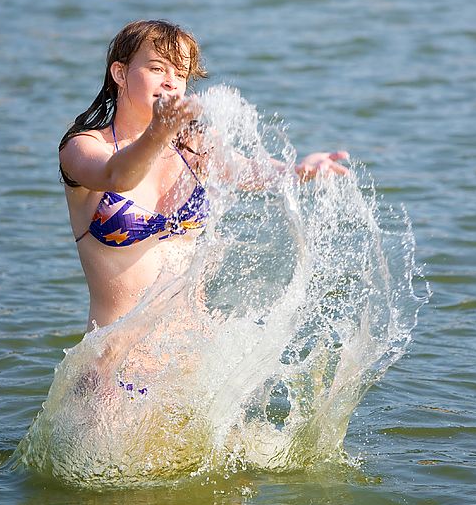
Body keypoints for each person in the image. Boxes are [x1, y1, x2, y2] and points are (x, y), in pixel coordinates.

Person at [58, 19, 349, 331]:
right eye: (157, 68)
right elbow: (117, 176)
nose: (171, 82)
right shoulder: (83, 147)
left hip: (190, 363)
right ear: (120, 73)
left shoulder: (193, 146)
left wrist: (299, 171)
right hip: (116, 368)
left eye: (180, 74)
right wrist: (158, 133)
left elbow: (247, 171)